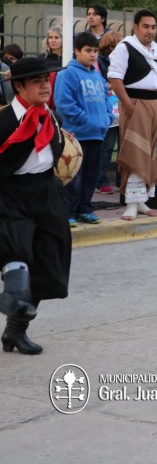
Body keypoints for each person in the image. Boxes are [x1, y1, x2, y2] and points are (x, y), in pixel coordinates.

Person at [0, 57, 71, 355]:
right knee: (17, 252)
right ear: (18, 86)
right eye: (37, 81)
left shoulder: (50, 116)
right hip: (10, 193)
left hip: (46, 191)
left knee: (47, 260)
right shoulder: (3, 121)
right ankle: (12, 296)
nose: (45, 85)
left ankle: (16, 330)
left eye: (46, 80)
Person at [107, 9, 157, 221]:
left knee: (152, 153)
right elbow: (115, 79)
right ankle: (131, 203)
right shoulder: (125, 48)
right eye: (146, 26)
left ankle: (143, 201)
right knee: (135, 152)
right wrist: (130, 107)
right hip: (136, 104)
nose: (150, 31)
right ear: (136, 27)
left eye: (153, 27)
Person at [53, 32, 113, 226]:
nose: (93, 55)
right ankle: (69, 211)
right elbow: (64, 104)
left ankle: (85, 208)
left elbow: (106, 100)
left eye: (95, 51)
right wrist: (86, 120)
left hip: (97, 133)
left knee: (91, 175)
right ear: (77, 50)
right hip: (76, 135)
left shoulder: (97, 75)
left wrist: (106, 117)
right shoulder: (67, 74)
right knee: (73, 175)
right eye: (88, 50)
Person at [94, 31, 122, 194]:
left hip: (122, 105)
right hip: (108, 108)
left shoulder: (125, 60)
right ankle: (101, 180)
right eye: (111, 47)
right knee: (107, 147)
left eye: (116, 47)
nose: (113, 50)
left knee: (124, 147)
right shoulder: (100, 62)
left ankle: (121, 179)